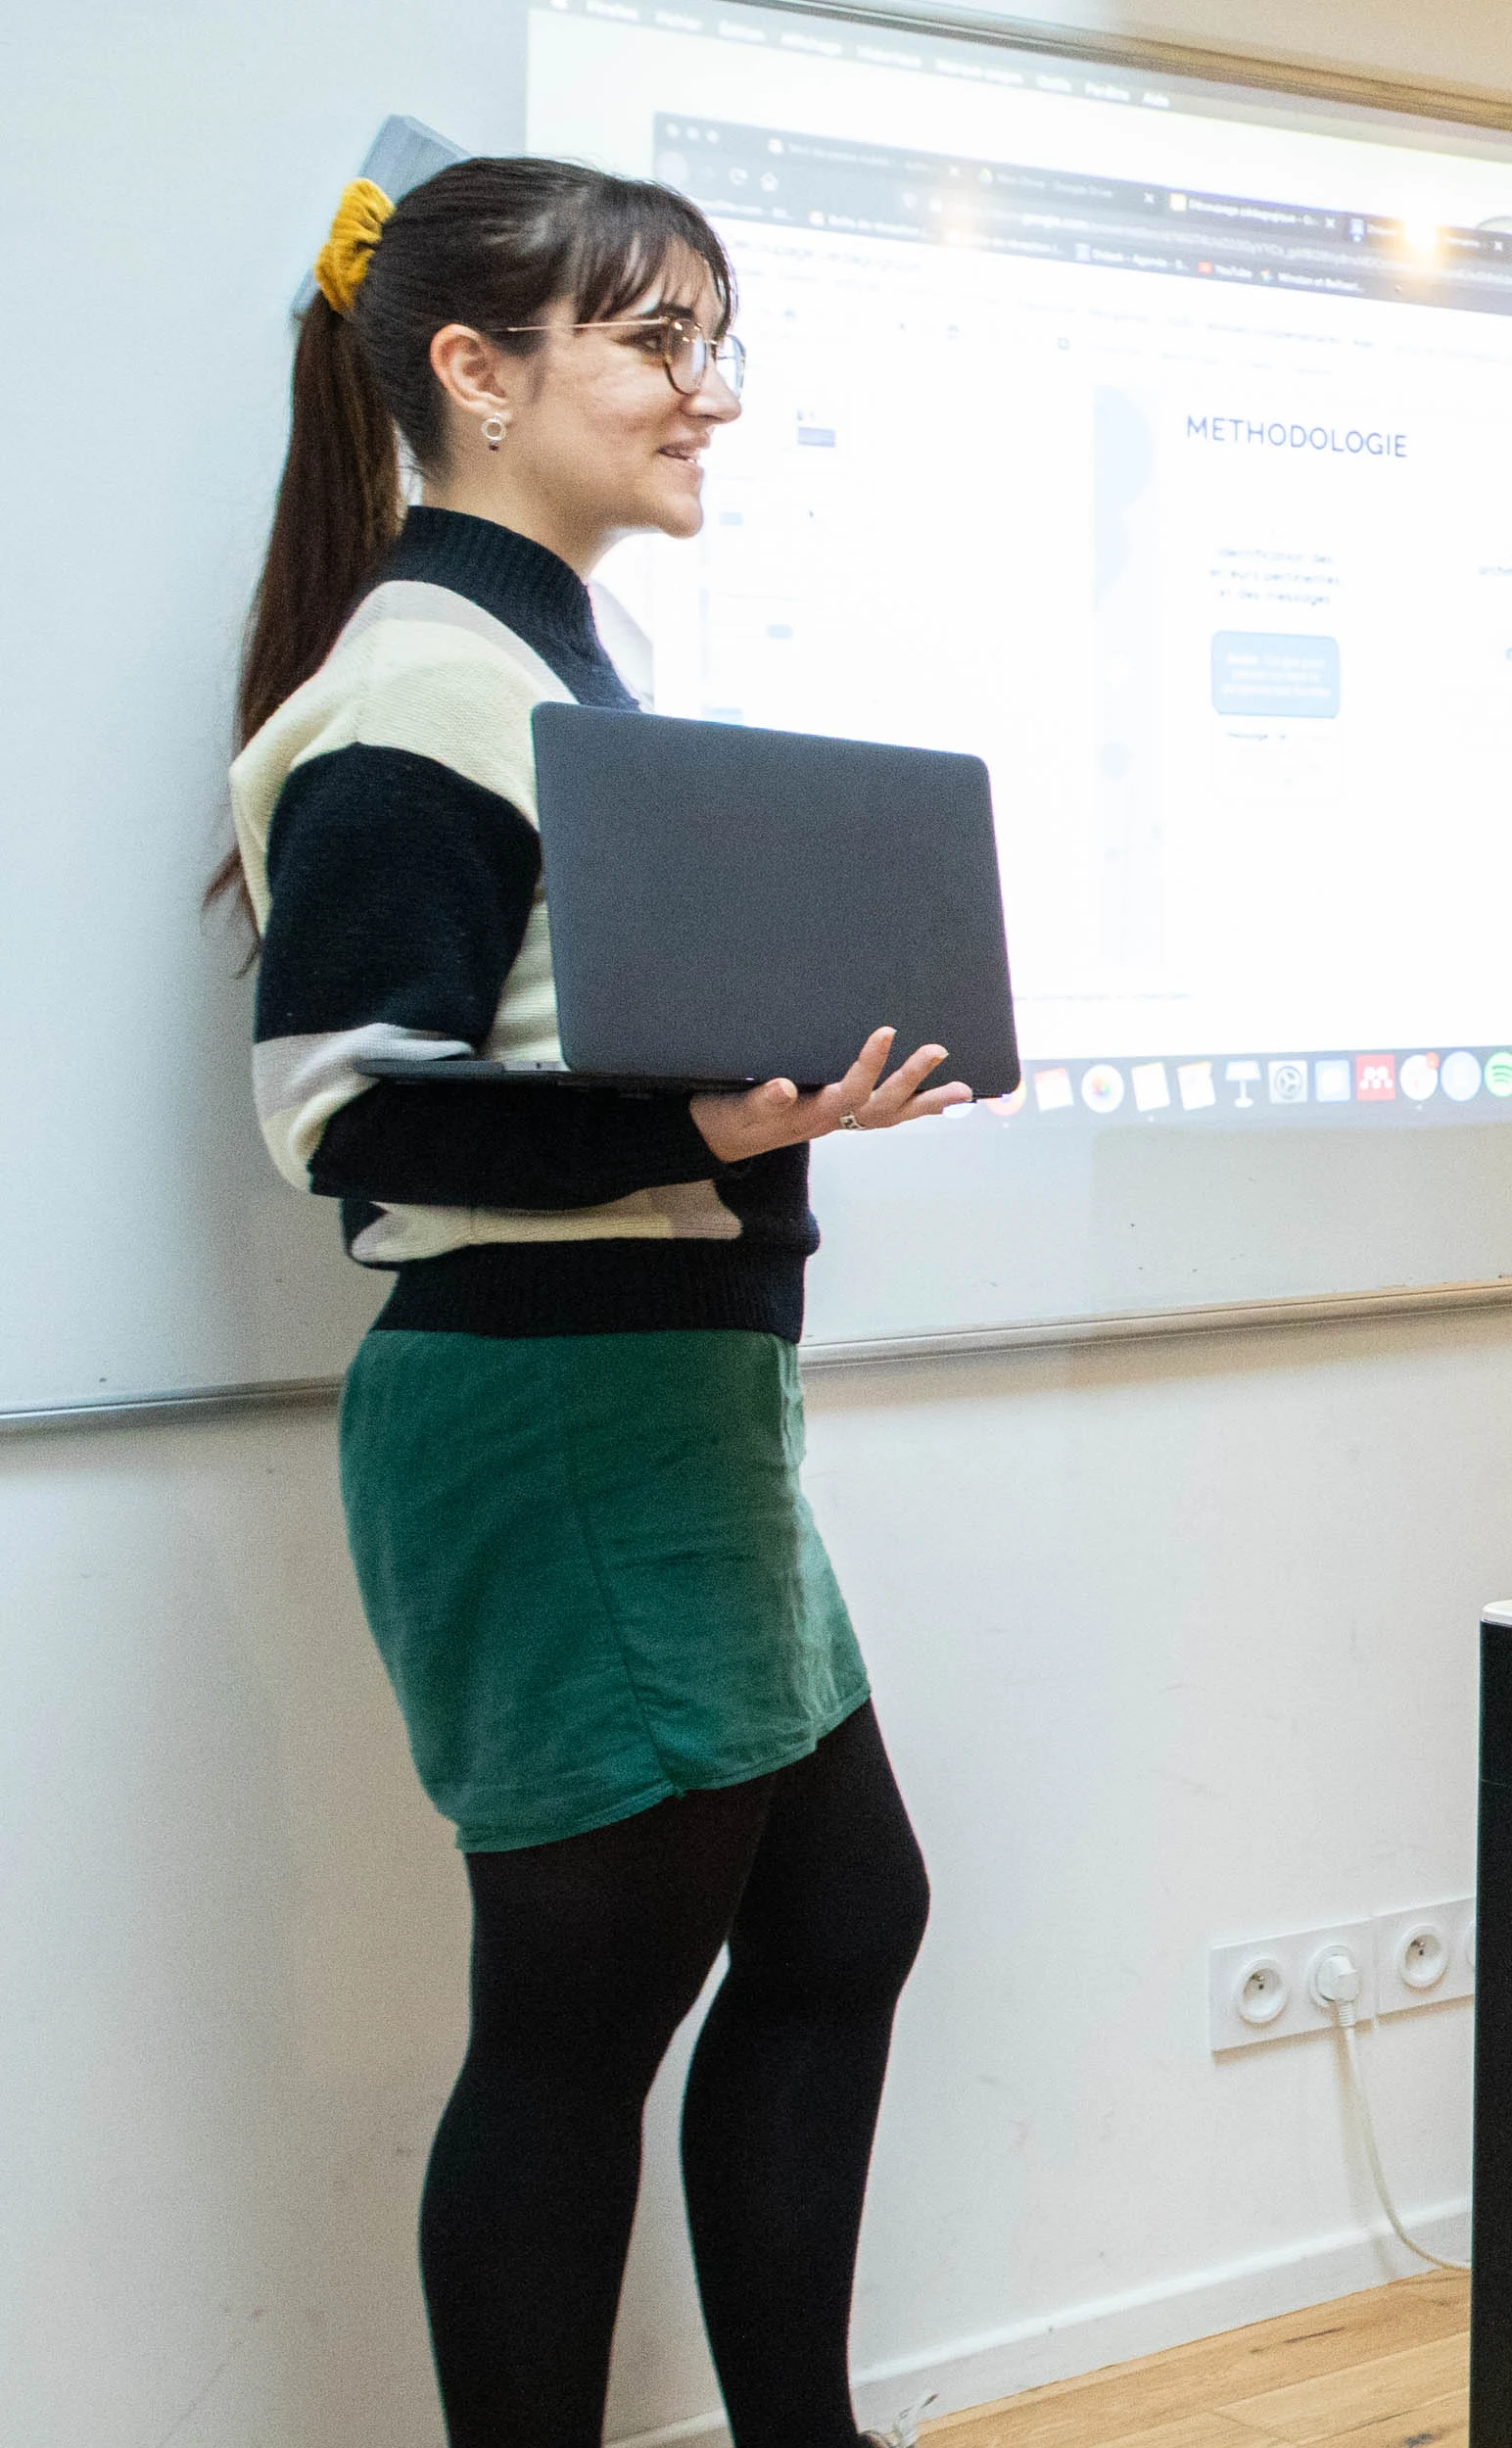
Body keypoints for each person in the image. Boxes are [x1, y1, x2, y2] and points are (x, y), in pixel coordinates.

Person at [234, 160, 977, 2447]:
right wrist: (717, 1131)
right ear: (473, 370)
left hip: (666, 1417)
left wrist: (748, 1107)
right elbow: (349, 1116)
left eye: (711, 346)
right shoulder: (418, 693)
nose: (706, 399)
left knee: (843, 1920)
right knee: (572, 2022)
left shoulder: (556, 660)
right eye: (658, 344)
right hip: (553, 1422)